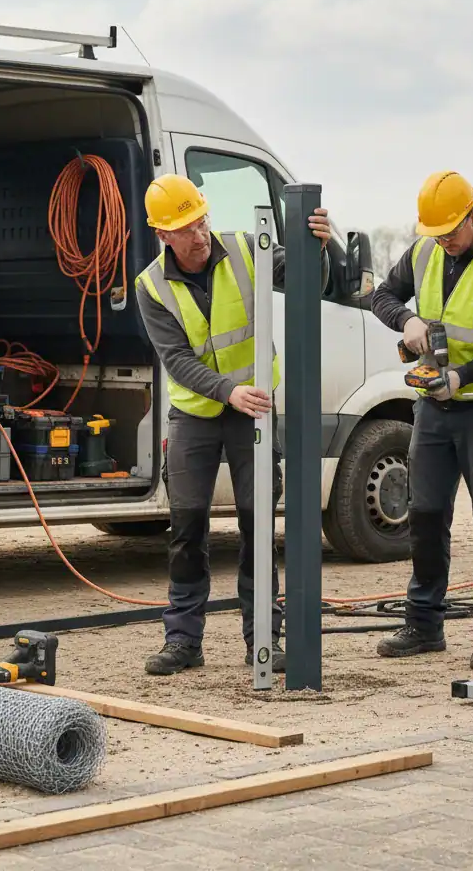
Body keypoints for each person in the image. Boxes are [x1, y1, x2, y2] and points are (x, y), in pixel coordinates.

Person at [135, 173, 331, 676]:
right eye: (187, 228)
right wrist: (226, 391)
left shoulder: (249, 249)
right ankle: (182, 641)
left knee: (257, 521)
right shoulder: (151, 287)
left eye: (201, 221)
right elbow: (176, 359)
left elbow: (311, 279)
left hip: (254, 413)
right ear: (163, 236)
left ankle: (262, 637)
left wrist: (319, 248)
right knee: (187, 527)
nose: (200, 235)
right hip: (196, 416)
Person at [370, 170, 473, 671]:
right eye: (436, 233)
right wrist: (408, 320)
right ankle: (423, 625)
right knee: (424, 516)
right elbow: (381, 296)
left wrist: (463, 376)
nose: (444, 240)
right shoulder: (422, 253)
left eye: (452, 231)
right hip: (433, 411)